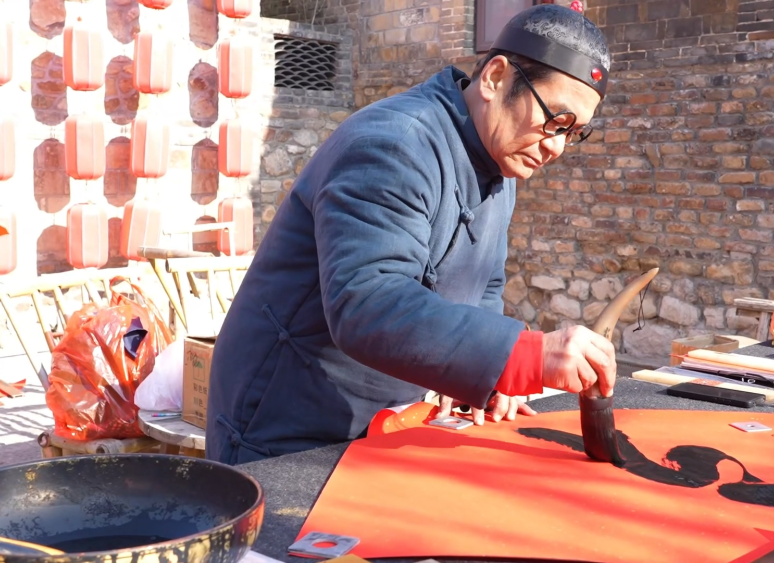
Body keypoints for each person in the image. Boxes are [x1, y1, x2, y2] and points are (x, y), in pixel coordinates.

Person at [205, 3, 618, 465]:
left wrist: (486, 377)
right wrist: (521, 356)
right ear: (495, 78)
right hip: (284, 421)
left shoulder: (500, 161)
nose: (557, 146)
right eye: (555, 120)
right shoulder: (393, 144)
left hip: (382, 419)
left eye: (573, 133)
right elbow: (367, 301)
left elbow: (484, 283)